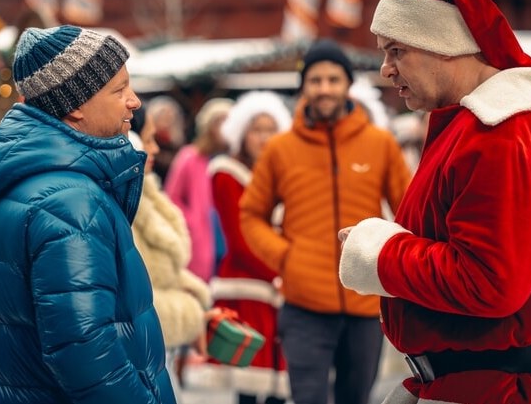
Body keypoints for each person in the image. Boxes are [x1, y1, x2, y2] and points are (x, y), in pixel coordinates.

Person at [336, 0, 531, 404]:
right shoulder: (484, 127)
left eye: (396, 50)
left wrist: (380, 252)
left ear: (447, 46)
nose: (386, 69)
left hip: (502, 388)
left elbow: (488, 281)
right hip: (476, 382)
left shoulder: (507, 132)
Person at [0, 25, 176, 404]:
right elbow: (85, 349)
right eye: (119, 90)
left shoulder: (34, 182)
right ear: (75, 105)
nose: (134, 101)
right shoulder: (70, 201)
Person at [239, 39, 413, 404]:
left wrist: (391, 261)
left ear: (347, 85)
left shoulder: (379, 144)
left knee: (356, 398)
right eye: (316, 80)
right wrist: (285, 257)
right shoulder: (281, 149)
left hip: (365, 302)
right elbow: (251, 213)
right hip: (304, 306)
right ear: (304, 86)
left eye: (333, 80)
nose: (324, 89)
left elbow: (410, 211)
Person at [206, 90, 292, 404]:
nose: (264, 137)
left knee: (277, 383)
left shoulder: (282, 174)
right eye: (257, 129)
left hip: (280, 283)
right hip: (249, 284)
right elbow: (240, 241)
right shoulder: (227, 173)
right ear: (242, 133)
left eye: (271, 130)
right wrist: (280, 274)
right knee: (250, 381)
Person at [127, 104, 215, 388]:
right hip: (136, 360)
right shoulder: (127, 203)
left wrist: (194, 292)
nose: (154, 149)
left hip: (154, 354)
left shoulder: (146, 193)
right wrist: (193, 315)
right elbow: (133, 299)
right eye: (148, 139)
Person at [164, 97, 233, 282]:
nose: (225, 128)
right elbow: (172, 197)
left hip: (229, 234)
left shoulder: (236, 160)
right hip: (202, 237)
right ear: (208, 126)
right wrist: (192, 220)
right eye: (220, 121)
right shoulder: (190, 156)